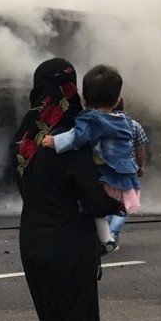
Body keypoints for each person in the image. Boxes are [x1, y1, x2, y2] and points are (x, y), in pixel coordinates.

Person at [10, 58, 121, 321]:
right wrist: (117, 202)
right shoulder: (74, 137)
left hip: (32, 241)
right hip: (69, 245)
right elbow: (93, 197)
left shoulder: (25, 138)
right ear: (72, 89)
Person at [41, 64, 141, 253]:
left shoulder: (92, 120)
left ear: (84, 99)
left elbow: (77, 137)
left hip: (108, 178)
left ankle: (106, 239)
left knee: (87, 205)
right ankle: (107, 237)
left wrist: (54, 141)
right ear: (117, 99)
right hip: (125, 180)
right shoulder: (124, 120)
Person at [106, 98, 149, 244]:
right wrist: (140, 166)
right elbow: (140, 147)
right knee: (124, 205)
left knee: (106, 203)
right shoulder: (134, 125)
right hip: (127, 171)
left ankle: (106, 236)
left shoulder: (101, 123)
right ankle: (111, 235)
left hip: (105, 170)